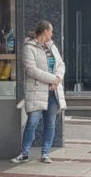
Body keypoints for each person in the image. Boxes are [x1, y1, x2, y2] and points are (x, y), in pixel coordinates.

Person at [11, 20, 67, 164]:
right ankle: (24, 153)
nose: (52, 34)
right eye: (51, 31)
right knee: (33, 122)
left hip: (53, 90)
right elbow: (31, 70)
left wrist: (58, 79)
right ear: (44, 31)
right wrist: (52, 79)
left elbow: (61, 64)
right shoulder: (29, 47)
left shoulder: (51, 46)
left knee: (50, 123)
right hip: (37, 90)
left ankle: (45, 153)